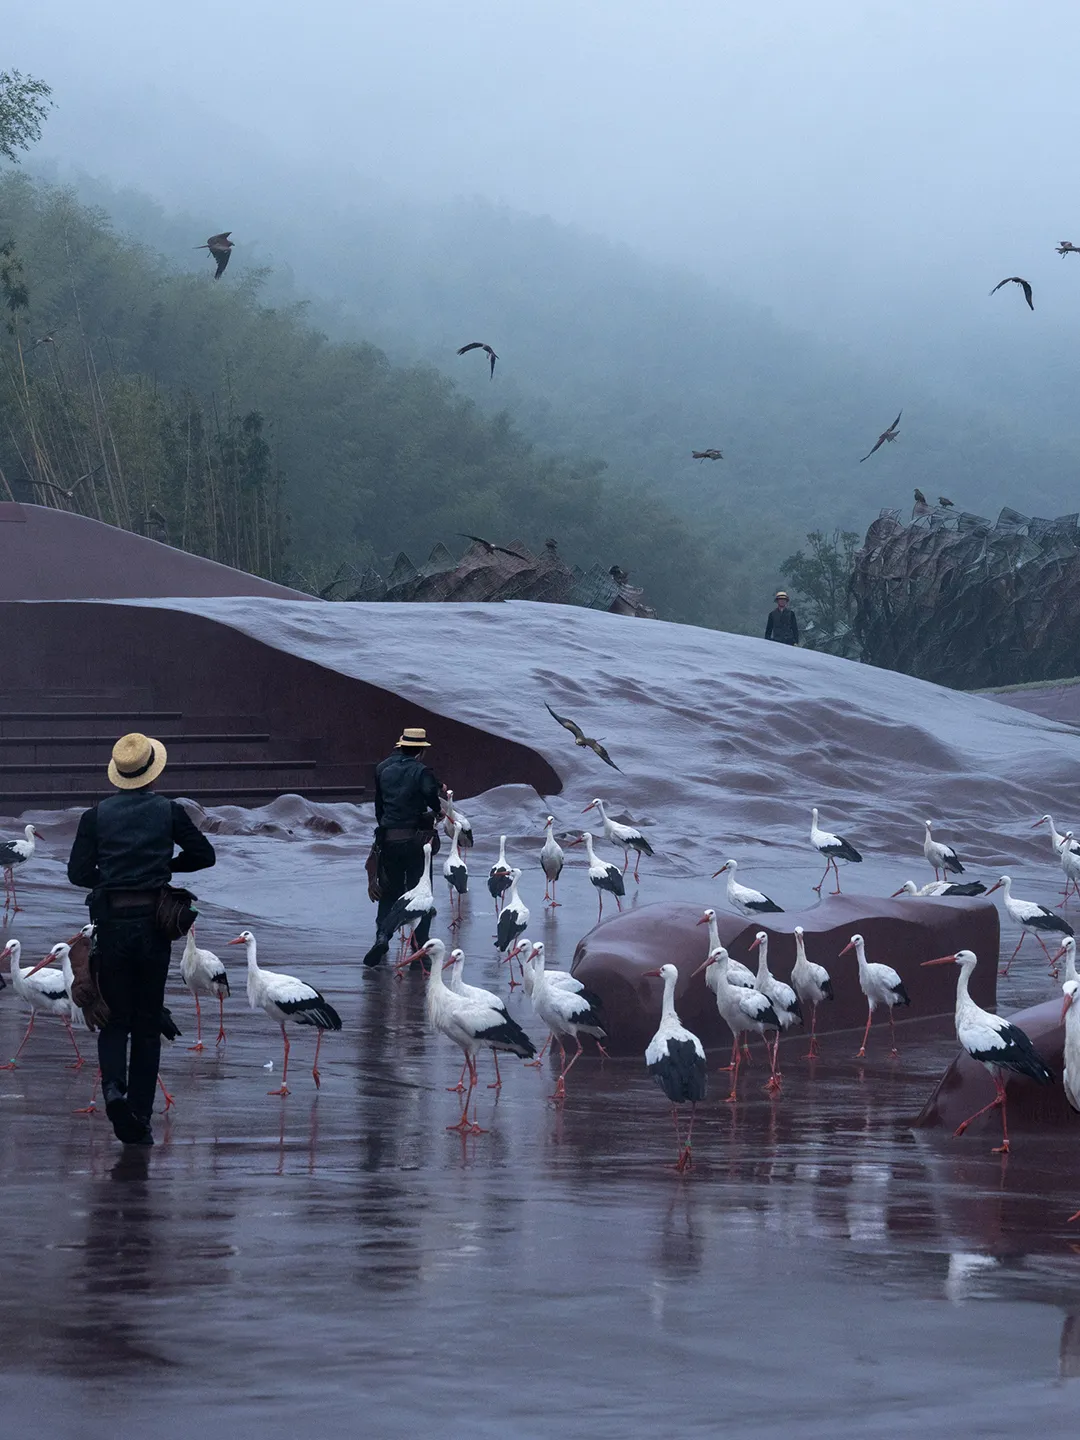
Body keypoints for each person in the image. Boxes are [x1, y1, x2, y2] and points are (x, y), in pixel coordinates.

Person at [67, 732, 215, 1145]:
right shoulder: (169, 811)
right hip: (155, 926)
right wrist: (164, 867)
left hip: (111, 925)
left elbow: (78, 874)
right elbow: (205, 855)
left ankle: (114, 1091)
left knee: (113, 1017)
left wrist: (112, 879)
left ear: (118, 776)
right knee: (147, 1025)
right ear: (152, 774)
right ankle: (140, 1116)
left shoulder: (95, 816)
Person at [363, 726, 443, 967]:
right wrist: (436, 811)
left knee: (389, 891)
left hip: (388, 839)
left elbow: (379, 808)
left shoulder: (382, 769)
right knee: (423, 892)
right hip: (416, 841)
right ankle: (420, 942)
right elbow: (432, 796)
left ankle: (382, 936)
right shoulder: (422, 771)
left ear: (400, 746)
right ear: (420, 750)